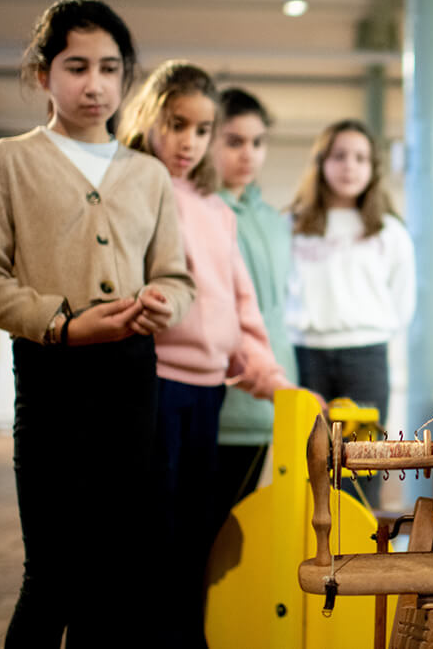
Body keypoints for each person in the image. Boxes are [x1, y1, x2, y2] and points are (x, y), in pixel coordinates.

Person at [0, 0, 194, 647]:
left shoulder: (148, 174)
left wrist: (164, 303)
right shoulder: (8, 162)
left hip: (131, 374)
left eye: (111, 68)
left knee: (116, 572)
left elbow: (177, 276)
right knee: (54, 571)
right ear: (43, 75)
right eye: (76, 66)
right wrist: (61, 324)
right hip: (50, 370)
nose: (95, 84)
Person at [118, 62, 294, 647]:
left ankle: (190, 636)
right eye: (177, 125)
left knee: (197, 532)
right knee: (156, 532)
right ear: (149, 119)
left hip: (208, 390)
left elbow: (243, 308)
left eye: (201, 129)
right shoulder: (136, 190)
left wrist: (272, 378)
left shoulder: (216, 208)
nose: (188, 142)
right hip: (154, 381)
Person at [286, 119, 415, 508]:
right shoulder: (292, 226)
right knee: (307, 466)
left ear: (373, 169)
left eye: (360, 158)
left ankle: (361, 557)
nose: (349, 166)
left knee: (361, 466)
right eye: (340, 156)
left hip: (366, 357)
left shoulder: (388, 232)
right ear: (321, 163)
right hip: (305, 357)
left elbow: (402, 302)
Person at [210, 87, 297, 521]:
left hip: (275, 394)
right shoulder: (202, 211)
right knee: (212, 530)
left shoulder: (273, 221)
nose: (248, 154)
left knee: (254, 527)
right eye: (234, 141)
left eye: (257, 142)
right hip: (226, 402)